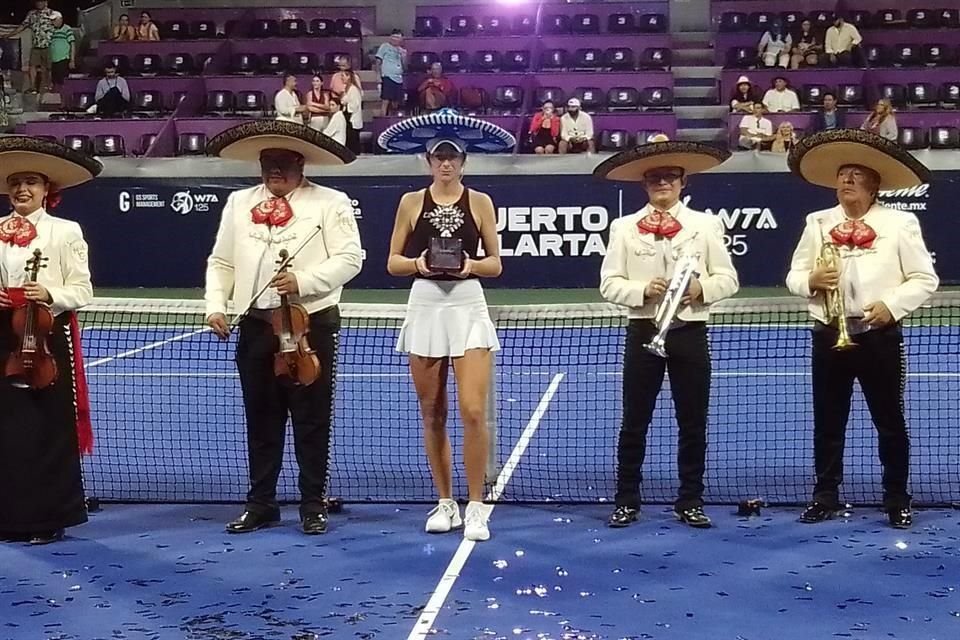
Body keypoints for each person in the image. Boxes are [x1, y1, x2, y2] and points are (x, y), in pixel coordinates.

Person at [204, 121, 363, 535]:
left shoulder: (332, 202)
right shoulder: (239, 203)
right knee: (261, 418)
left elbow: (351, 258)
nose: (275, 171)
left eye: (284, 162)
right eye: (268, 162)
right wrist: (216, 305)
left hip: (310, 325)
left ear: (300, 163)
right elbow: (221, 262)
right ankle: (261, 504)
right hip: (255, 325)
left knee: (312, 418)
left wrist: (303, 282)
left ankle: (312, 504)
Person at [785, 129, 938, 529]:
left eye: (856, 174)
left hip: (879, 338)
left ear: (874, 185)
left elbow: (924, 279)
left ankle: (896, 499)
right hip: (828, 333)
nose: (846, 180)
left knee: (889, 421)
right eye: (842, 174)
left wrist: (891, 306)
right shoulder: (816, 222)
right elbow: (794, 276)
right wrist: (810, 281)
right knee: (828, 421)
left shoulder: (900, 223)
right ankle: (825, 496)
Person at [379, 110, 516, 541]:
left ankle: (476, 506)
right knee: (432, 412)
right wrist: (420, 263)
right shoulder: (410, 202)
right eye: (439, 157)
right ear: (428, 161)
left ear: (463, 163)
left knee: (473, 410)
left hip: (467, 303)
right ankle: (446, 503)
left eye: (452, 158)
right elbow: (392, 262)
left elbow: (495, 264)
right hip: (424, 305)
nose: (445, 164)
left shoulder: (480, 202)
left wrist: (468, 265)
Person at [594, 136, 739, 529]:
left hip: (690, 332)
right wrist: (641, 291)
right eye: (656, 178)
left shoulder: (705, 225)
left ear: (682, 182)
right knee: (634, 421)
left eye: (670, 178)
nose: (663, 184)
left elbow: (729, 278)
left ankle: (690, 499)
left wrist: (701, 290)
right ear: (645, 184)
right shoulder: (623, 228)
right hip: (643, 330)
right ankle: (627, 500)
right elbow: (608, 283)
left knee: (693, 421)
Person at [0, 136, 101, 545]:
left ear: (46, 190)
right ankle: (9, 515)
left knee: (48, 429)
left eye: (31, 183)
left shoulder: (66, 231)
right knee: (8, 428)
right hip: (3, 337)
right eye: (15, 183)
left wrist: (51, 295)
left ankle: (49, 517)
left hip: (46, 337)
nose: (23, 189)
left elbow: (84, 289)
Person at [2, 0, 56, 94]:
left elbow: (59, 26)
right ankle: (33, 87)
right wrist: (10, 34)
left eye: (41, 2)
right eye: (38, 2)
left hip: (49, 44)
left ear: (46, 3)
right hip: (36, 45)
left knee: (47, 67)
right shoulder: (32, 14)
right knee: (32, 66)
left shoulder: (52, 13)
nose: (39, 3)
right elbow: (23, 26)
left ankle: (46, 86)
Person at [375, 29, 406, 116]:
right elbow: (378, 61)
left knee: (396, 103)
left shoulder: (402, 51)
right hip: (387, 76)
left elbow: (405, 66)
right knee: (385, 101)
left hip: (399, 79)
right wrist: (378, 75)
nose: (395, 39)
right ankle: (383, 122)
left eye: (398, 37)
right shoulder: (384, 46)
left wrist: (403, 56)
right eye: (394, 37)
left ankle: (393, 121)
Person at [49, 12, 75, 91]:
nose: (53, 22)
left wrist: (72, 60)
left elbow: (72, 44)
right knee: (55, 81)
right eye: (52, 20)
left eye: (54, 20)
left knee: (62, 81)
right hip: (53, 60)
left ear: (60, 19)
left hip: (63, 59)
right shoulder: (51, 30)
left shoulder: (67, 29)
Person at [339, 68, 364, 154]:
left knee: (353, 140)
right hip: (347, 116)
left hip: (352, 118)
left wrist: (346, 105)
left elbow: (355, 105)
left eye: (343, 76)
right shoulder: (346, 88)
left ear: (349, 76)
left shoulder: (353, 89)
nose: (341, 78)